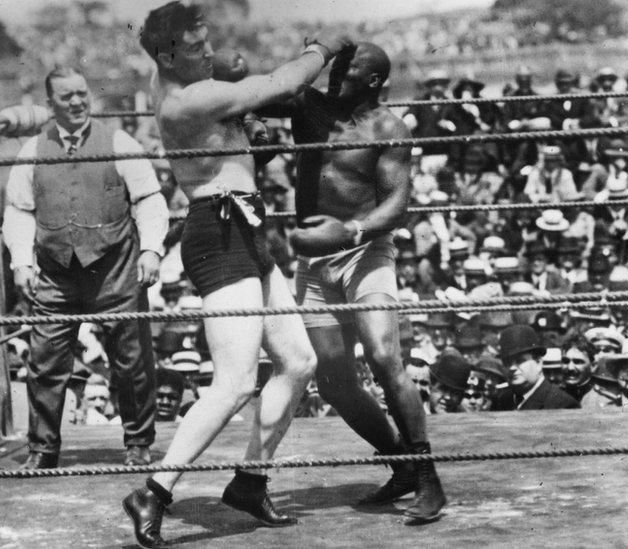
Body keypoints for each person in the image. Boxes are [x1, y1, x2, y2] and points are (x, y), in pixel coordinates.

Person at [122, 4, 335, 545]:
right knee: (236, 380)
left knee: (298, 360)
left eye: (206, 43)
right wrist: (322, 50)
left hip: (246, 226)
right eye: (196, 48)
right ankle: (154, 490)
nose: (209, 54)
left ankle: (250, 480)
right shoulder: (186, 99)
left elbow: (236, 87)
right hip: (216, 233)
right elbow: (275, 82)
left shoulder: (183, 81)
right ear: (169, 56)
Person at [270, 41, 446, 523]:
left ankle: (428, 476)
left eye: (345, 71)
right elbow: (268, 93)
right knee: (331, 377)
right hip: (314, 261)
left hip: (365, 250)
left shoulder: (389, 127)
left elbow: (397, 203)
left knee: (385, 355)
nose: (334, 77)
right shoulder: (307, 109)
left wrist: (350, 229)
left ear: (372, 81)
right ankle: (401, 463)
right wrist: (314, 53)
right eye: (333, 68)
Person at [0, 65, 168, 470]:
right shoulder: (32, 151)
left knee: (131, 360)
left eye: (81, 94)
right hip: (56, 271)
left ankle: (138, 443)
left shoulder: (119, 141)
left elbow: (148, 198)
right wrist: (21, 261)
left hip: (115, 267)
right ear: (50, 103)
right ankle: (42, 450)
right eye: (66, 97)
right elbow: (19, 209)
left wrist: (151, 250)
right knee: (44, 362)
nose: (76, 102)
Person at [498, 325, 579, 411]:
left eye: (520, 361)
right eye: (507, 362)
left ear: (538, 363)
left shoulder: (562, 404)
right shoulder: (502, 401)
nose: (512, 368)